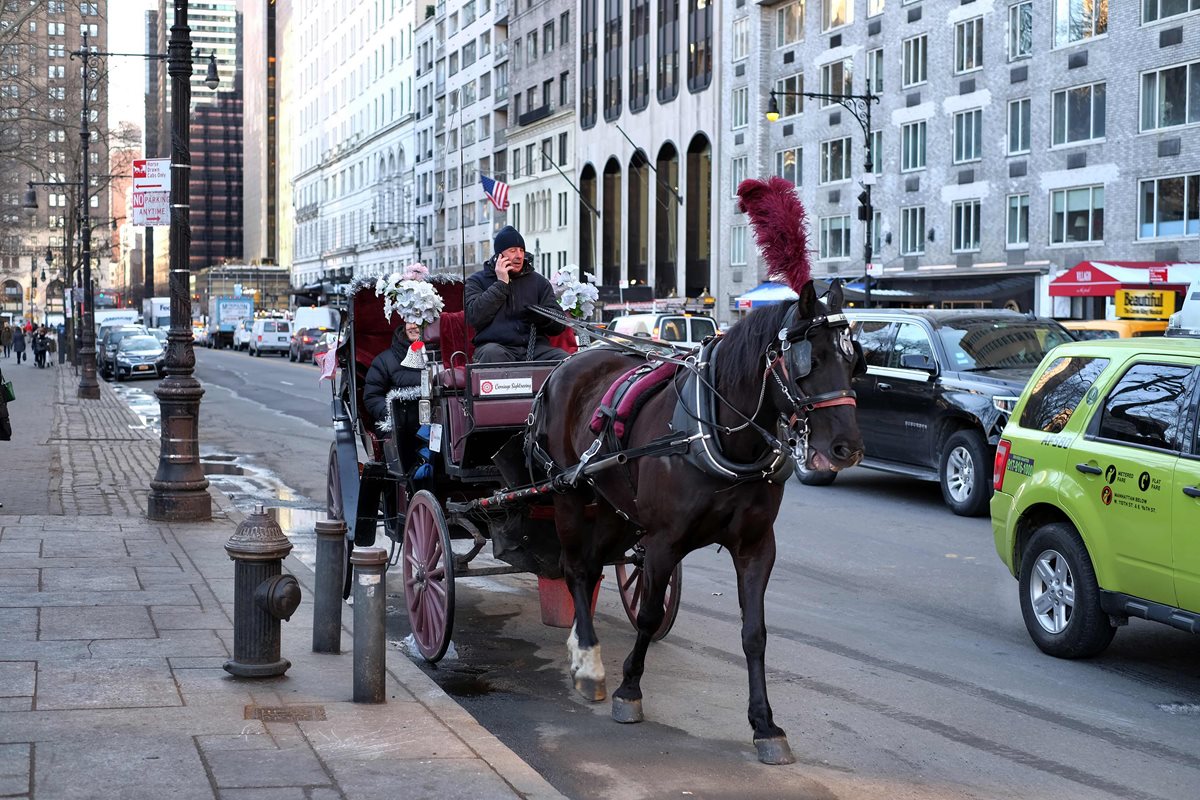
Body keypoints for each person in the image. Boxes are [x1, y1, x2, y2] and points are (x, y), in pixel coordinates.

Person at [465, 225, 567, 363]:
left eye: (521, 250)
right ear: (499, 255)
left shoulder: (539, 282)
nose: (519, 256)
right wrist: (501, 284)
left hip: (534, 349)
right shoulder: (476, 281)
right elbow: (474, 317)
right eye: (512, 250)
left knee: (564, 360)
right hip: (495, 347)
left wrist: (543, 317)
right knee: (492, 354)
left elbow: (560, 325)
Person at [362, 320, 432, 480]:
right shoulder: (385, 360)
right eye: (410, 321)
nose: (414, 326)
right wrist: (394, 414)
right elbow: (372, 397)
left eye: (420, 321)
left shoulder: (438, 354)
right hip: (399, 425)